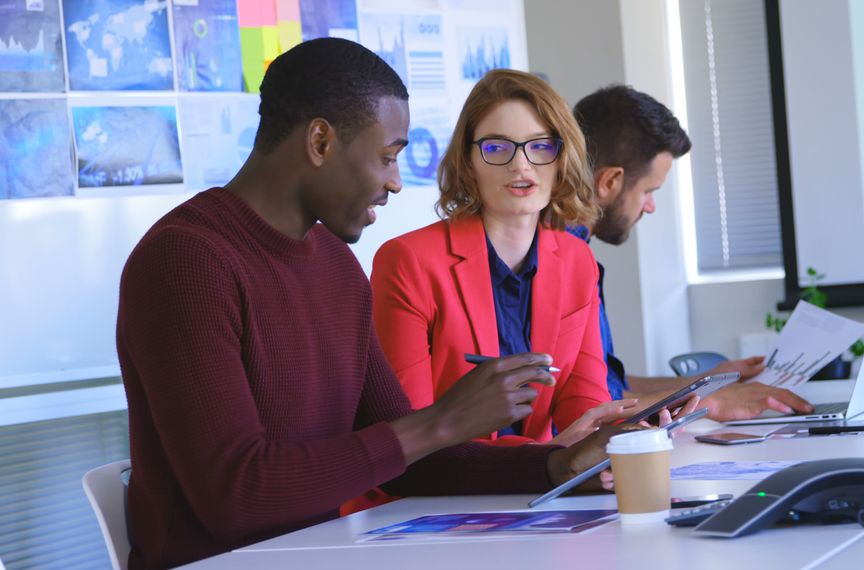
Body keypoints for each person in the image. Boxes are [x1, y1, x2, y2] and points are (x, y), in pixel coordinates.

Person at [116, 39, 615, 569]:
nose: (396, 183)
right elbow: (236, 496)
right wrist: (443, 421)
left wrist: (563, 466)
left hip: (327, 554)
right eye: (386, 157)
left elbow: (410, 465)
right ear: (320, 141)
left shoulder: (334, 262)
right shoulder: (185, 262)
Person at [371, 69, 650, 448]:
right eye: (497, 148)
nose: (521, 165)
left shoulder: (576, 260)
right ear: (468, 162)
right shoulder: (408, 262)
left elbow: (584, 404)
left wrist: (616, 435)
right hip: (436, 492)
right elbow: (410, 433)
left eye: (539, 146)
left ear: (561, 156)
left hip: (540, 488)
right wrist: (547, 457)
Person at [572, 85, 814, 421]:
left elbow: (610, 386)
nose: (651, 207)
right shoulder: (561, 268)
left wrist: (702, 383)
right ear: (609, 181)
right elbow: (593, 408)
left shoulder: (577, 257)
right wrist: (711, 400)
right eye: (649, 191)